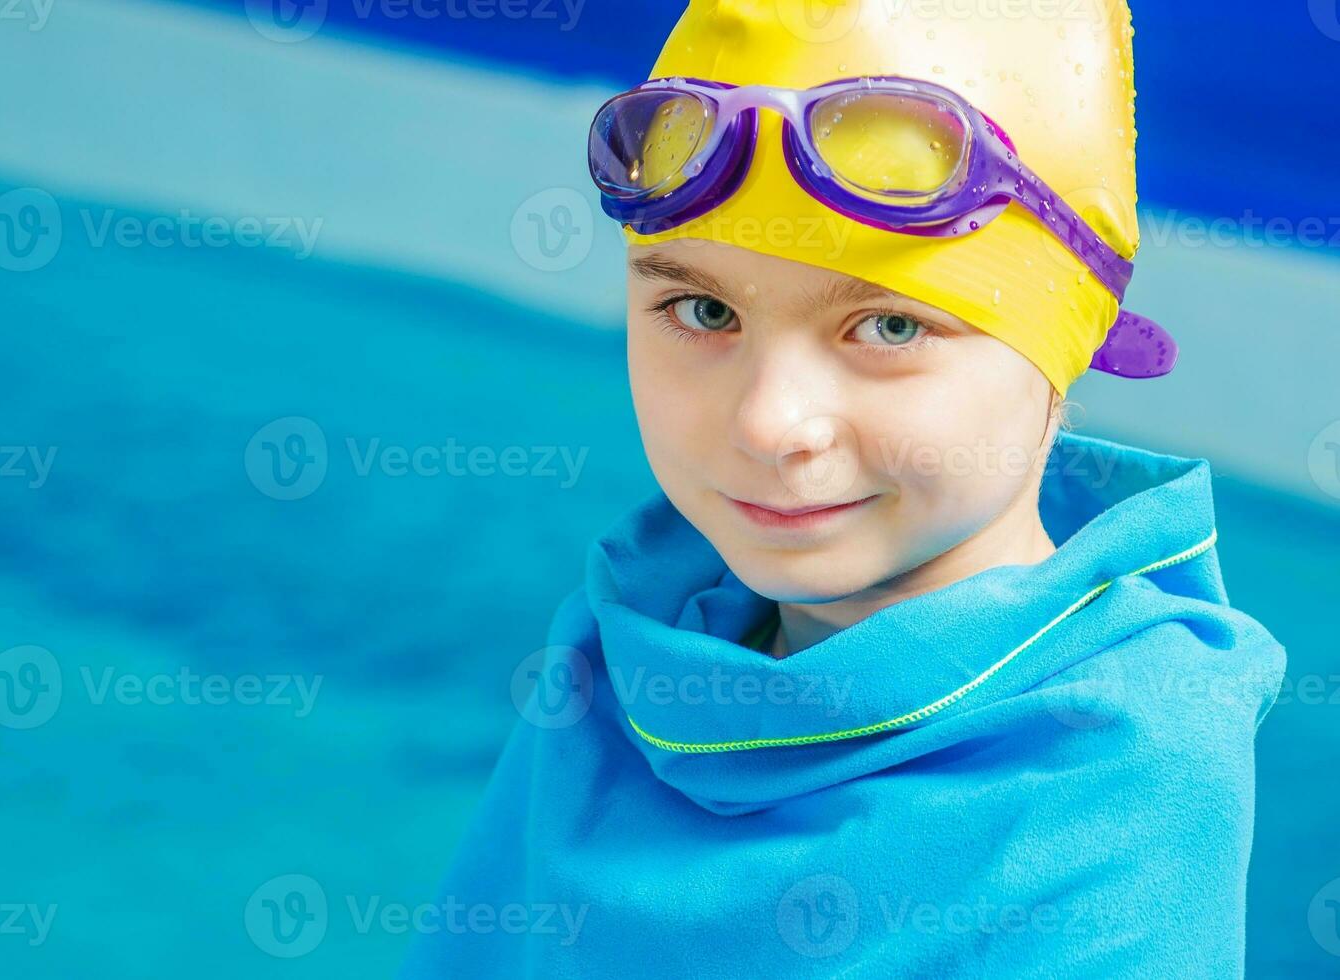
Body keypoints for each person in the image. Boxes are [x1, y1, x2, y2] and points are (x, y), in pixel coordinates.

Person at [400, 1, 1285, 975]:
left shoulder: (1116, 773)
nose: (767, 424)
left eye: (890, 327)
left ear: (1064, 340)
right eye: (701, 308)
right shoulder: (626, 644)